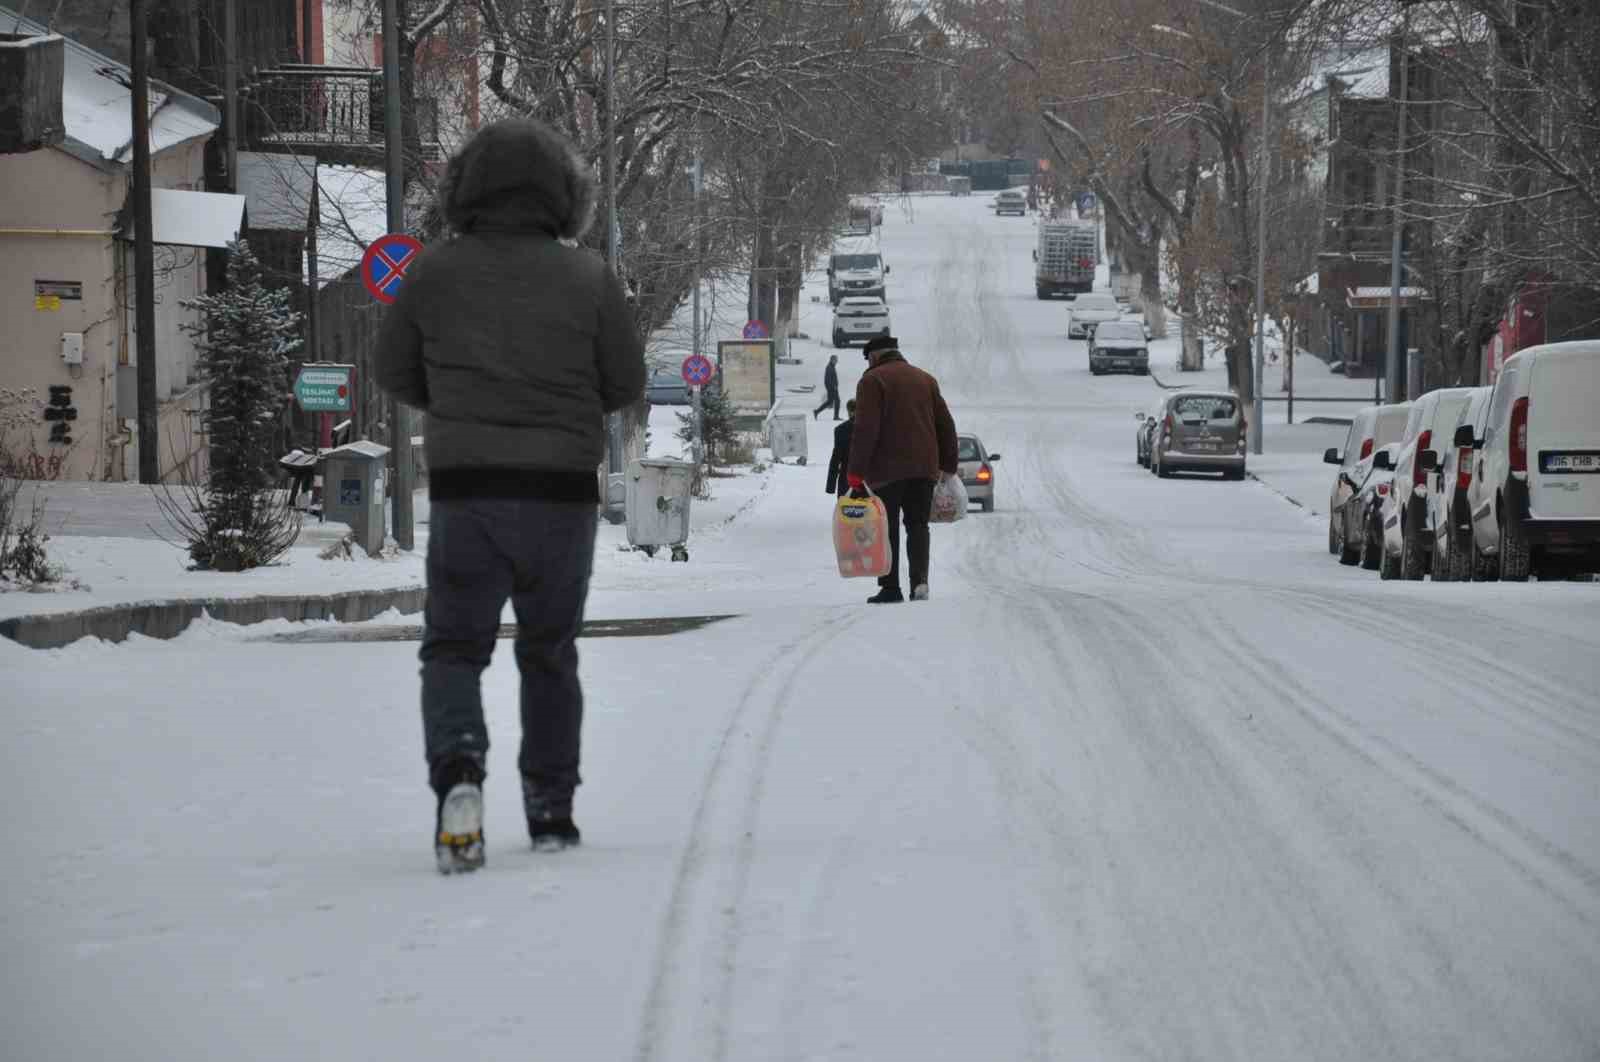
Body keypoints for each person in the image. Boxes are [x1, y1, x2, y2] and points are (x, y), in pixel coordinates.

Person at [373, 117, 646, 873]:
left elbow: (392, 369)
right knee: (549, 652)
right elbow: (623, 382)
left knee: (455, 649)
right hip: (562, 499)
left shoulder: (433, 271)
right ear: (565, 195)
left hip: (468, 497)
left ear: (463, 190)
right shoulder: (588, 275)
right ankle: (551, 807)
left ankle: (459, 771)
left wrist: (454, 402)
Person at [846, 335, 958, 604]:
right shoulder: (925, 379)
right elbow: (946, 424)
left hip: (887, 470)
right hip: (924, 469)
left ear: (873, 357)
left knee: (887, 527)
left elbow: (865, 429)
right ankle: (920, 583)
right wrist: (949, 465)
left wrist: (855, 471)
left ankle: (891, 587)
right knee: (918, 525)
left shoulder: (873, 381)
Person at [825, 399, 857, 497]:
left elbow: (836, 458)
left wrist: (831, 486)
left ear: (849, 411)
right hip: (868, 481)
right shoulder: (871, 428)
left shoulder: (841, 430)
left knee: (845, 510)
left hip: (846, 480)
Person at [814, 354, 841, 420]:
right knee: (837, 401)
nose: (836, 361)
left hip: (833, 387)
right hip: (832, 388)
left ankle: (816, 411)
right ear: (832, 360)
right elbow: (827, 379)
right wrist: (832, 387)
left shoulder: (832, 366)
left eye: (836, 360)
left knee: (830, 401)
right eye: (835, 360)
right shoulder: (829, 368)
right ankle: (836, 416)